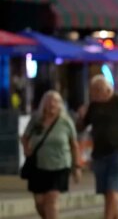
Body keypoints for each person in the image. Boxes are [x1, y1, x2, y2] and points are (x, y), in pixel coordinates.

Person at [76, 76, 118, 219]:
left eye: (98, 90)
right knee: (106, 192)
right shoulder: (93, 105)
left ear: (107, 89)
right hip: (100, 153)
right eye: (93, 91)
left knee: (112, 190)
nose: (95, 93)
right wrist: (81, 115)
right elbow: (81, 126)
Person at [21, 90, 82, 219]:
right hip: (38, 166)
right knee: (39, 203)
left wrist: (76, 167)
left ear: (60, 105)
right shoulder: (36, 120)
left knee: (51, 200)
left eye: (55, 102)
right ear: (43, 104)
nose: (52, 105)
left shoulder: (66, 122)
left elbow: (74, 145)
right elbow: (25, 137)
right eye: (49, 102)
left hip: (60, 165)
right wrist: (26, 149)